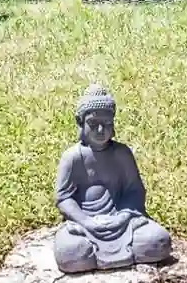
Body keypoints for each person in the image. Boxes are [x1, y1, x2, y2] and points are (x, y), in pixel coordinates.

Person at [52, 84, 173, 273]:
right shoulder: (73, 157)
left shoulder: (122, 153)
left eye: (107, 124)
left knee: (158, 240)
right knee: (69, 251)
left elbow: (135, 191)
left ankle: (102, 256)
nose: (101, 130)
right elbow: (63, 198)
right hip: (85, 225)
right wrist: (86, 221)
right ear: (80, 122)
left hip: (123, 222)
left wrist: (123, 216)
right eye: (93, 124)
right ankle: (92, 253)